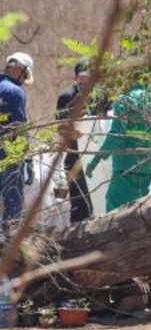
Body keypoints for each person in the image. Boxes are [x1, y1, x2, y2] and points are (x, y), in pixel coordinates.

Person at [86, 78, 151, 212]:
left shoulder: (125, 99)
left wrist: (96, 159)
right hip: (146, 168)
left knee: (114, 210)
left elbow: (117, 134)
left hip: (126, 166)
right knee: (139, 212)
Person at [55, 60, 94, 222]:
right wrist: (70, 134)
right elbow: (59, 127)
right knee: (79, 206)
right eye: (82, 76)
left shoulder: (100, 96)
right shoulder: (67, 96)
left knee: (96, 205)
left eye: (89, 76)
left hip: (95, 160)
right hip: (75, 159)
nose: (85, 80)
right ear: (76, 77)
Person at [0, 52, 34, 225]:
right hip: (8, 154)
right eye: (24, 76)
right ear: (19, 69)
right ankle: (10, 238)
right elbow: (18, 128)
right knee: (12, 199)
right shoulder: (15, 91)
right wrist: (28, 159)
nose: (23, 81)